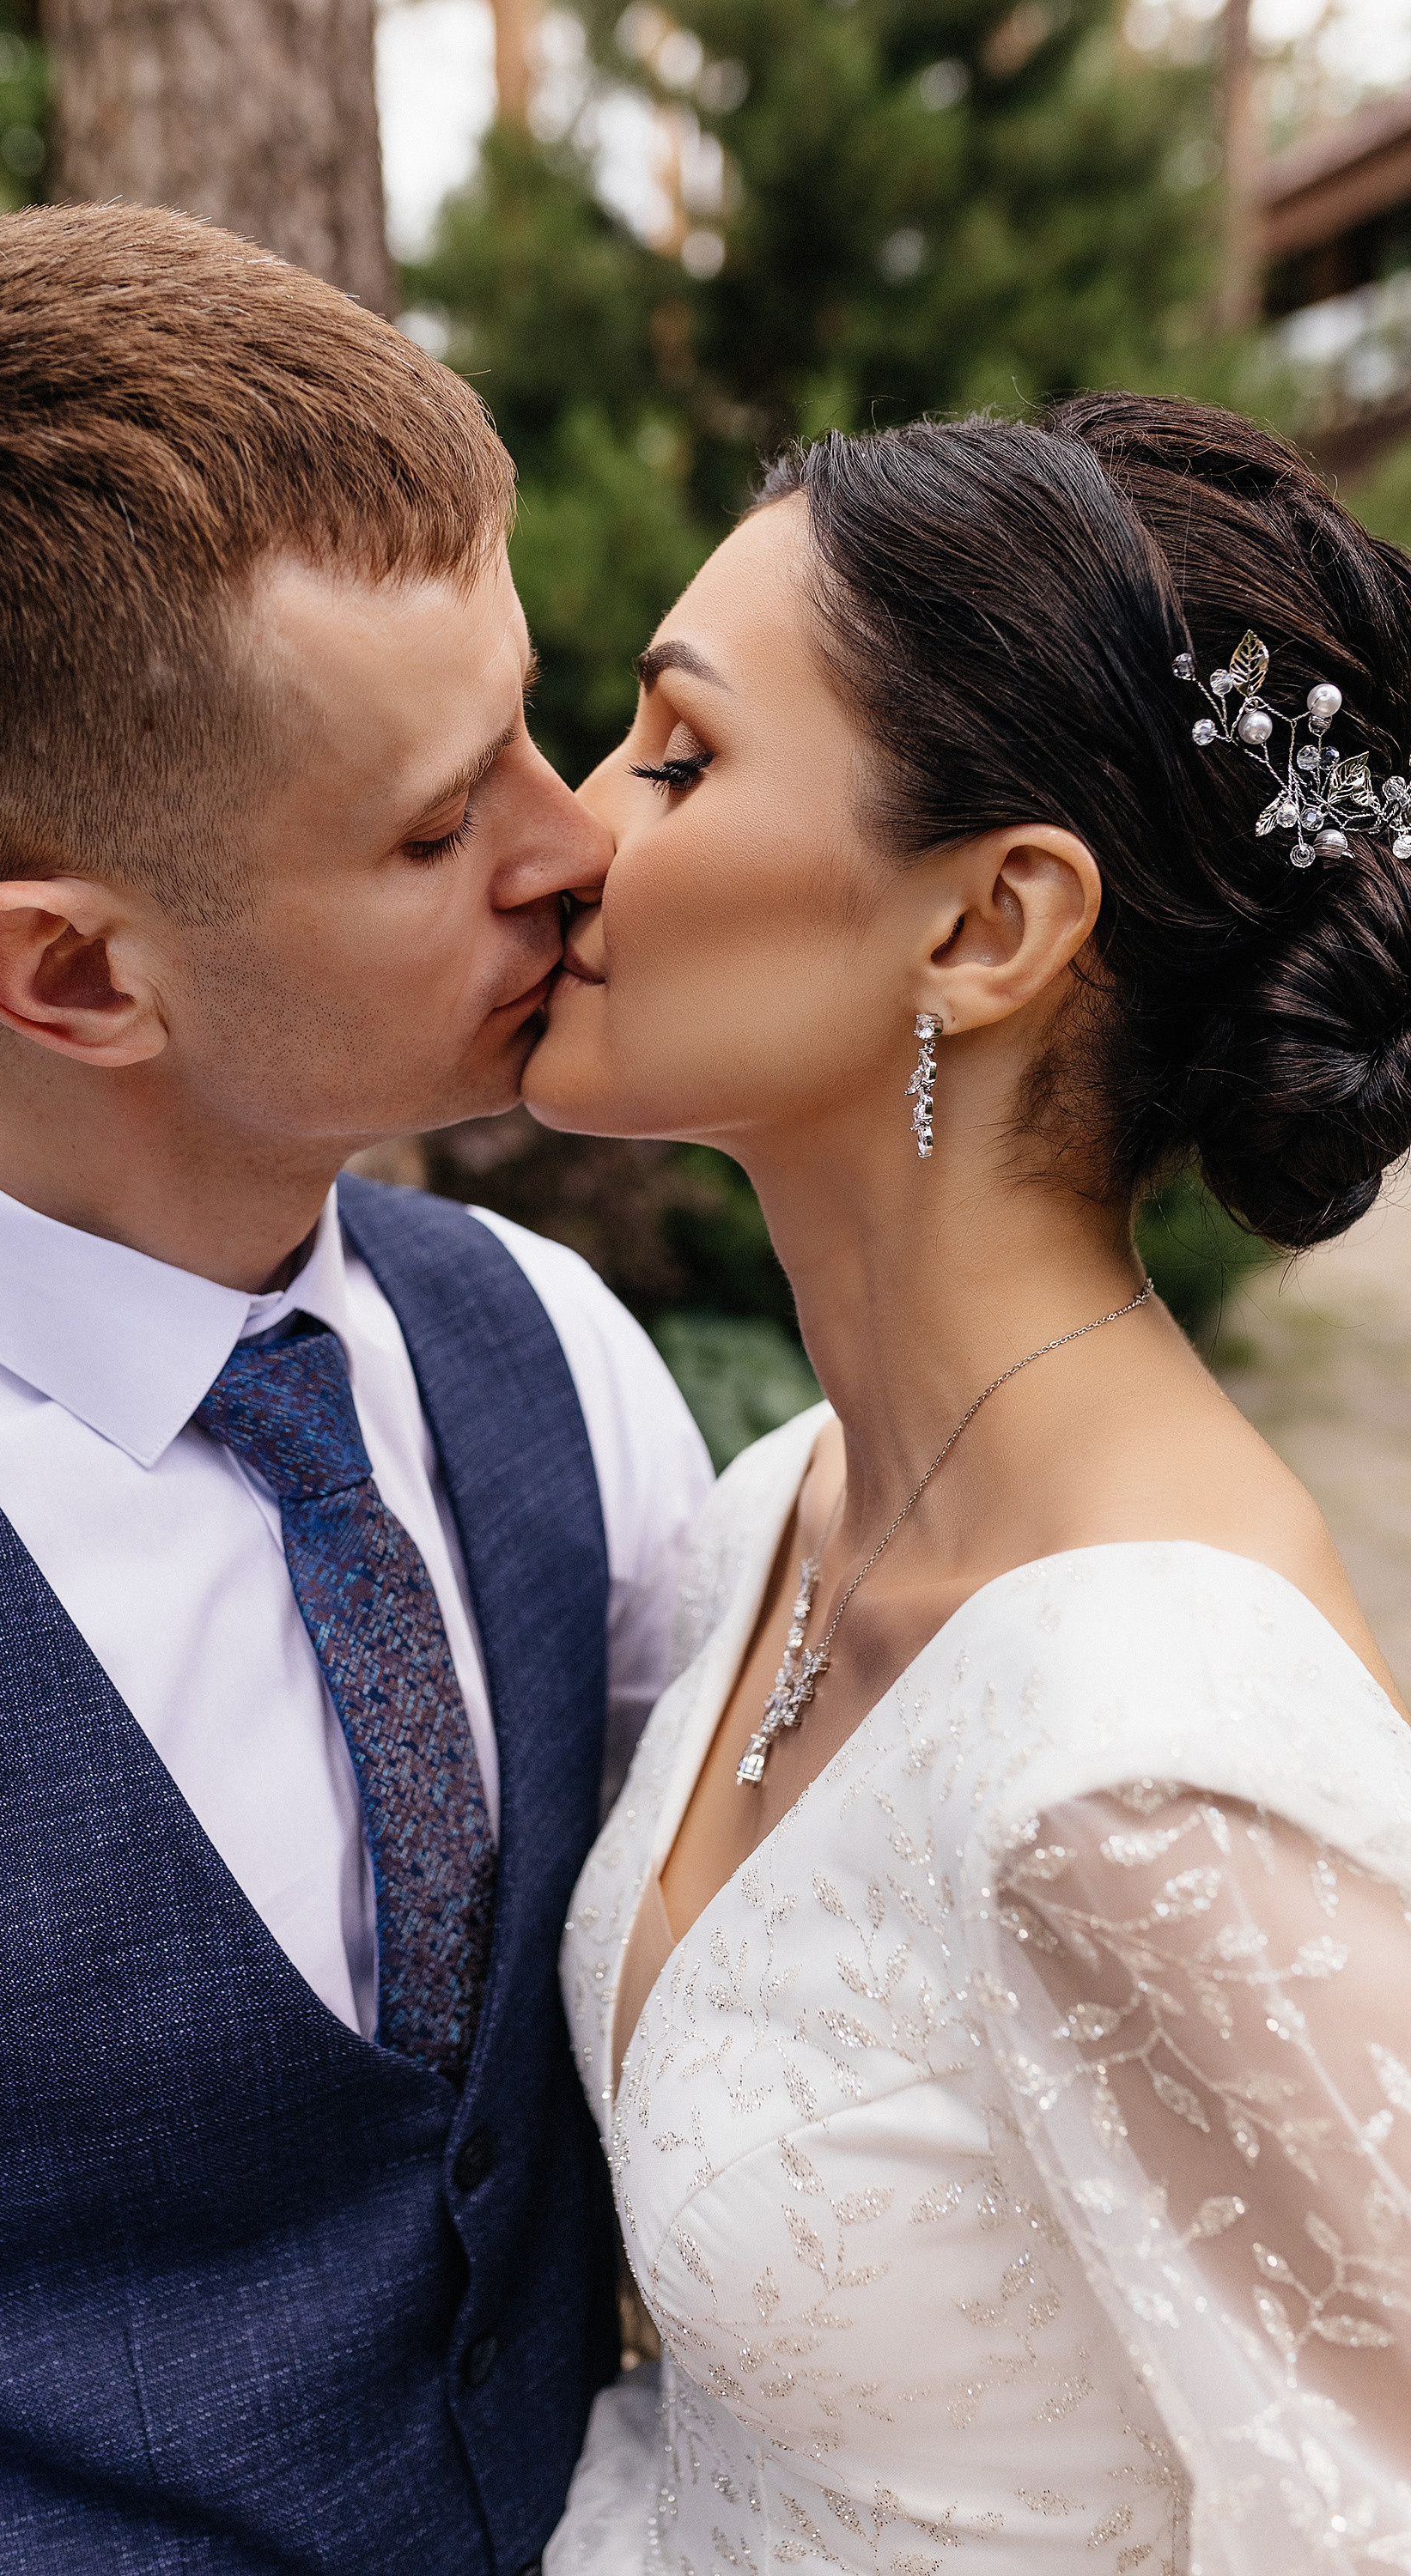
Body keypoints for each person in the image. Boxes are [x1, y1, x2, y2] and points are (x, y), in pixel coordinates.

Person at [0, 204, 713, 2575]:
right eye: (440, 826)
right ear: (67, 972)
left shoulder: (555, 1351)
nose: (574, 849)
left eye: (532, 735)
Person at [526, 394, 1411, 2575]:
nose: (563, 832)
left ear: (989, 925)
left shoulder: (1147, 1758)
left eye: (673, 753)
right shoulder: (783, 1513)